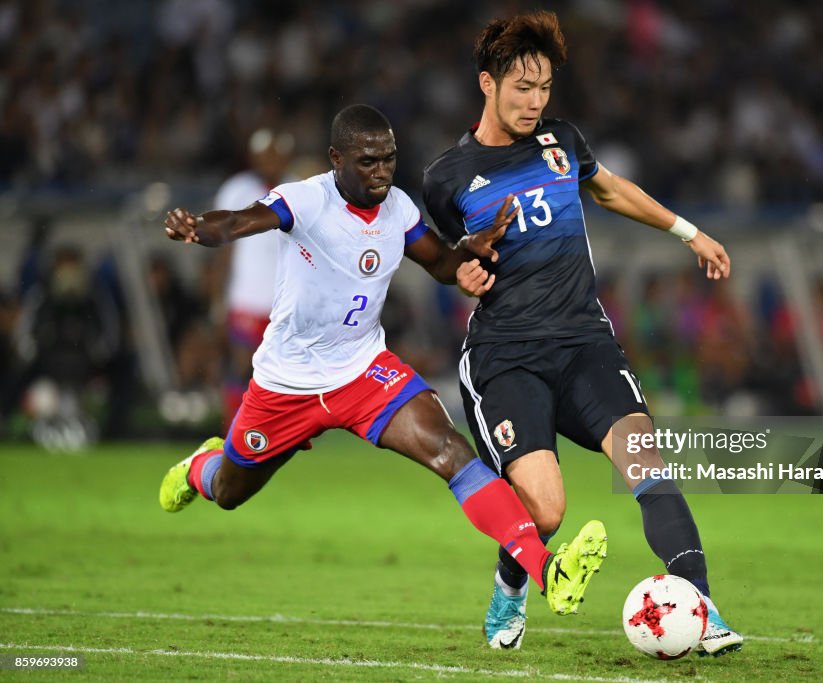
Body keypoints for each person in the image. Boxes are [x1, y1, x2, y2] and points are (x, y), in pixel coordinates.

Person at [158, 104, 607, 620]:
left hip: (363, 371)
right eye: (368, 161)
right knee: (230, 492)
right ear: (336, 159)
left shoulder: (397, 209)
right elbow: (238, 221)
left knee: (452, 453)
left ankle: (546, 570)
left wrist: (469, 248)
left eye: (389, 160)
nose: (381, 172)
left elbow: (439, 263)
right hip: (287, 383)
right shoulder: (307, 199)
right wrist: (198, 228)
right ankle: (200, 468)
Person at [423, 11, 741, 654]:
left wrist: (690, 232)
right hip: (505, 357)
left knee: (648, 466)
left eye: (544, 88)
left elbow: (611, 191)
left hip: (584, 342)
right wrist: (464, 276)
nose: (535, 102)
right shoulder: (446, 177)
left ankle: (702, 608)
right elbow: (447, 261)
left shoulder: (561, 140)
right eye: (522, 88)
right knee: (545, 512)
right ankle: (511, 587)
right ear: (487, 83)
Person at [214, 129, 295, 430]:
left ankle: (274, 432)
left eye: (276, 153)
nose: (271, 160)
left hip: (285, 302)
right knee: (241, 366)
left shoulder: (298, 187)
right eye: (265, 154)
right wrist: (217, 300)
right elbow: (223, 250)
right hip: (246, 298)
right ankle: (233, 430)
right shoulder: (237, 189)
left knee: (282, 373)